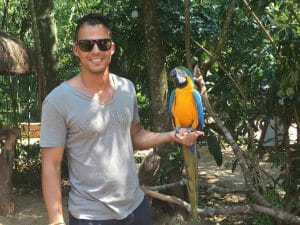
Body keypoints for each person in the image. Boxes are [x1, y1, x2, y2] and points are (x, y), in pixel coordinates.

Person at [40, 12, 203, 225]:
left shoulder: (127, 88)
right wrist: (56, 221)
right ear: (76, 50)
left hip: (136, 208)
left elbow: (135, 135)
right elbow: (51, 165)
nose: (96, 50)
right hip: (90, 216)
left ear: (112, 48)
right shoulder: (57, 101)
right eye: (87, 45)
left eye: (103, 43)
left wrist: (172, 135)